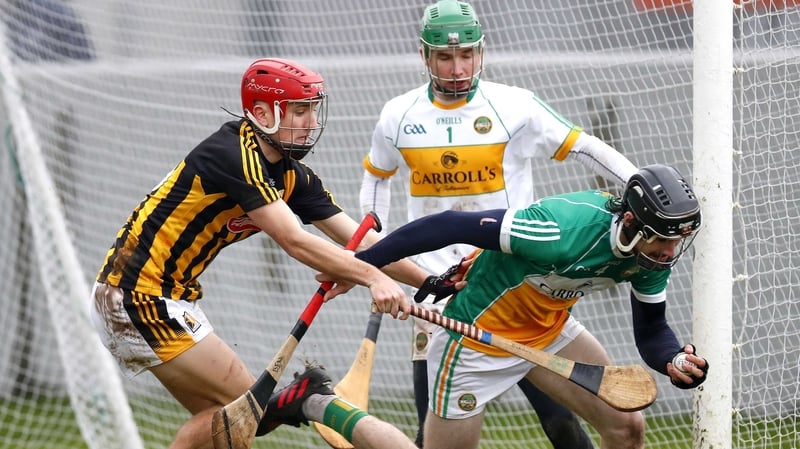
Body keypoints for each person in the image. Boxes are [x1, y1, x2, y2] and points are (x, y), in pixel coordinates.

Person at [89, 58, 442, 449]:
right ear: (261, 113)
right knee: (251, 411)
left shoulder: (292, 175)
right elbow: (295, 241)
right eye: (299, 110)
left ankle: (301, 397)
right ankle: (304, 397)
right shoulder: (233, 154)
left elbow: (364, 244)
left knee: (233, 427)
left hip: (167, 297)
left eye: (313, 109)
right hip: (137, 296)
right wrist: (373, 278)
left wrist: (432, 282)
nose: (310, 121)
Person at [359, 0, 637, 446]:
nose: (457, 67)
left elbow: (585, 146)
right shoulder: (398, 115)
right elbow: (377, 178)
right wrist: (373, 242)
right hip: (435, 291)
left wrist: (641, 188)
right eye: (445, 57)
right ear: (424, 56)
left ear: (481, 52)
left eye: (467, 54)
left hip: (511, 281)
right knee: (429, 429)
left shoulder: (515, 106)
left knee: (561, 421)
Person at [355, 164, 710, 449]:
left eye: (677, 240)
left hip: (548, 331)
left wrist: (674, 359)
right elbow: (450, 224)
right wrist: (362, 266)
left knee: (626, 429)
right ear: (631, 223)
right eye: (663, 238)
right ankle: (323, 404)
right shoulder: (559, 233)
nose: (669, 251)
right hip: (475, 340)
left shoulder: (650, 259)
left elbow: (651, 330)